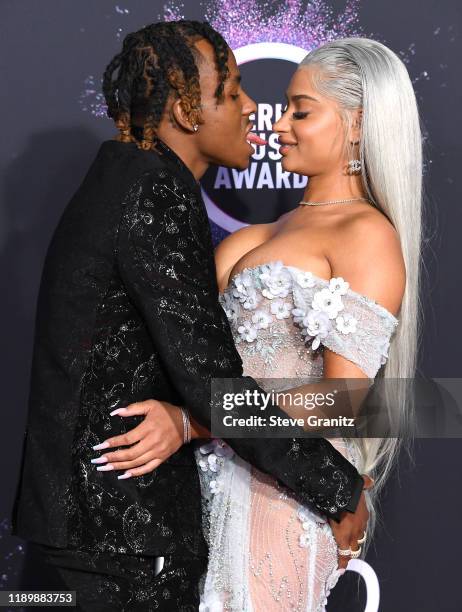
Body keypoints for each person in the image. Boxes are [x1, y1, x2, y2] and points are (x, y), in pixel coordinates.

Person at [11, 22, 370, 611]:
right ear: (184, 109)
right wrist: (338, 488)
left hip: (92, 530)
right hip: (122, 538)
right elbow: (211, 382)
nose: (253, 108)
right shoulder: (152, 188)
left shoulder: (122, 177)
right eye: (230, 94)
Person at [101, 37, 423, 610]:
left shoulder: (366, 237)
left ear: (357, 124)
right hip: (206, 490)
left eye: (302, 110)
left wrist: (196, 423)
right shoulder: (260, 235)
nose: (280, 125)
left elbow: (344, 400)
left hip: (281, 497)